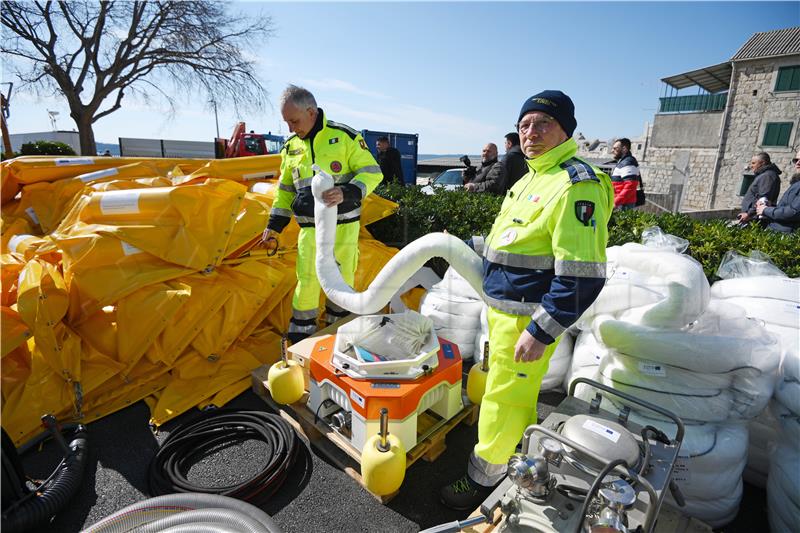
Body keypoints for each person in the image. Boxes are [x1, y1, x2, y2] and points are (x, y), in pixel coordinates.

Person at [441, 90, 613, 510]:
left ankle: (481, 481)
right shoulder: (533, 177)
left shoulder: (577, 185)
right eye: (524, 125)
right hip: (504, 314)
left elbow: (583, 276)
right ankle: (518, 460)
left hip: (525, 321)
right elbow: (515, 244)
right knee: (513, 399)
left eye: (542, 124)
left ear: (565, 130)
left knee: (501, 401)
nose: (530, 133)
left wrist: (540, 331)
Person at [262, 85, 382, 343]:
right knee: (306, 283)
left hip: (343, 230)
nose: (291, 128)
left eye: (294, 121)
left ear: (311, 112)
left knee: (340, 283)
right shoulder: (291, 146)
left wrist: (347, 192)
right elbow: (284, 190)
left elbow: (373, 173)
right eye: (287, 122)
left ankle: (338, 337)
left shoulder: (345, 137)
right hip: (309, 233)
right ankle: (300, 342)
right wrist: (273, 225)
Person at [757, 151, 800, 233]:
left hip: (784, 236)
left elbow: (793, 212)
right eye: (796, 160)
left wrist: (766, 210)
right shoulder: (797, 183)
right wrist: (771, 207)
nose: (798, 163)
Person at [738, 152, 781, 225]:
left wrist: (749, 214)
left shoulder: (767, 176)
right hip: (753, 217)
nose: (751, 166)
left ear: (762, 163)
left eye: (754, 163)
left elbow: (763, 199)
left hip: (755, 219)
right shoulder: (766, 175)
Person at [610, 138, 640, 210]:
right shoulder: (624, 161)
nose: (612, 151)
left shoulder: (628, 162)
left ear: (624, 149)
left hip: (622, 205)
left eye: (615, 148)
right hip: (621, 203)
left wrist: (615, 202)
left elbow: (630, 186)